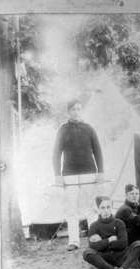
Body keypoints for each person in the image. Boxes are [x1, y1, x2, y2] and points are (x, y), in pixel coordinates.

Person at [52, 99, 104, 251]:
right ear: (69, 111)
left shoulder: (89, 128)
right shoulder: (63, 129)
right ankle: (73, 241)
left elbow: (98, 151)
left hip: (89, 172)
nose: (76, 112)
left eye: (79, 109)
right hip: (69, 174)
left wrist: (100, 172)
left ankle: (94, 239)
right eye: (73, 109)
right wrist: (57, 175)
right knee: (71, 208)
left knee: (91, 208)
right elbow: (56, 153)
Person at [83, 196, 140, 269]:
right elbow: (93, 246)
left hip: (121, 255)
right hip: (104, 257)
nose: (106, 210)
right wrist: (109, 240)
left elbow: (123, 243)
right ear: (98, 209)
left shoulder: (119, 223)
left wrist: (102, 242)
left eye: (108, 207)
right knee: (87, 253)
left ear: (111, 208)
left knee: (139, 244)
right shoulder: (94, 226)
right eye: (102, 208)